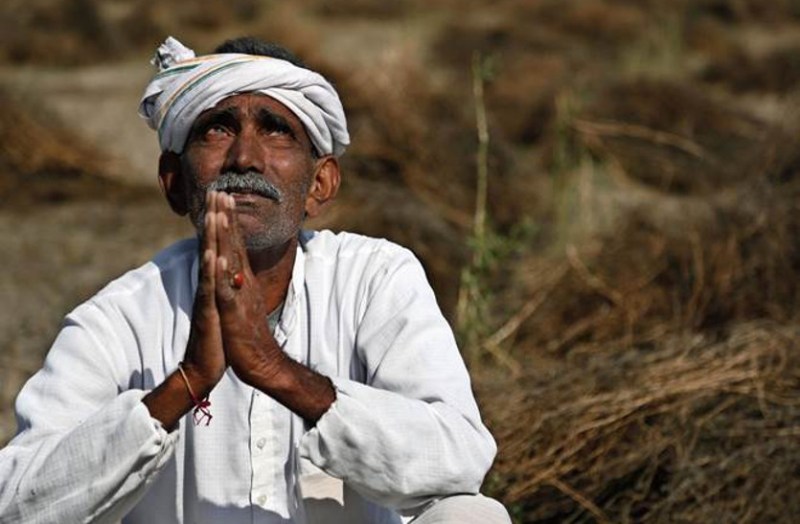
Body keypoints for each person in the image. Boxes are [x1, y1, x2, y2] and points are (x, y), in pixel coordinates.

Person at [0, 36, 511, 524]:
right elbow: (15, 504)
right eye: (218, 129)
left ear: (320, 184)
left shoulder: (375, 280)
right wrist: (185, 384)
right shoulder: (118, 320)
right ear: (174, 183)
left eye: (276, 130)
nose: (245, 157)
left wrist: (277, 371)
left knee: (472, 514)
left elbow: (460, 458)